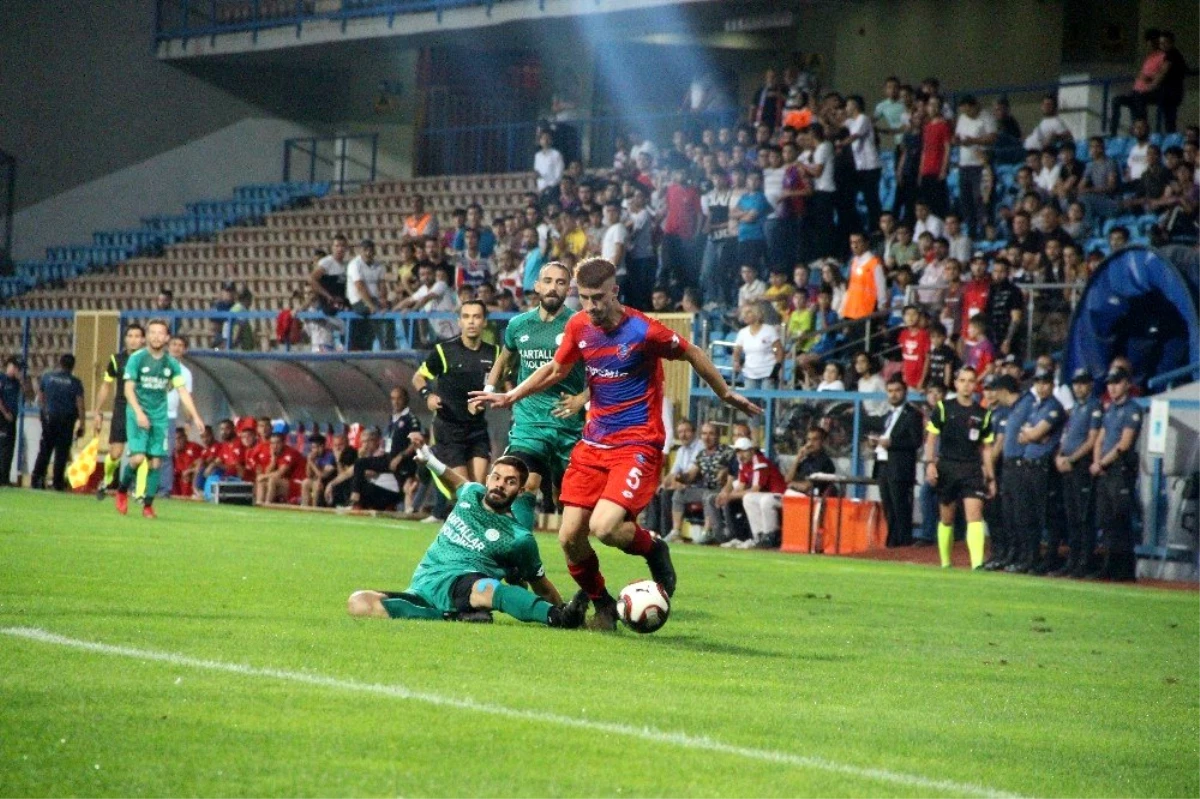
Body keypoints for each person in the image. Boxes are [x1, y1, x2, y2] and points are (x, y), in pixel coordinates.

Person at [470, 257, 761, 628]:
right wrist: (512, 396)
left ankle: (655, 548)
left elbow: (691, 351)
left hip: (637, 443)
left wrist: (724, 393)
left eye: (598, 298)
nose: (590, 306)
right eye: (585, 298)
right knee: (569, 537)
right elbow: (557, 369)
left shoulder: (643, 330)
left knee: (605, 527)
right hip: (594, 443)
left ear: (615, 292)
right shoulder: (579, 325)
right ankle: (602, 603)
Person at [347, 440, 589, 628]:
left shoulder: (519, 537)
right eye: (496, 477)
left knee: (488, 589)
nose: (500, 485)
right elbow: (454, 480)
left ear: (521, 490)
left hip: (465, 585)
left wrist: (562, 611)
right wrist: (430, 460)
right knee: (358, 602)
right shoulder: (472, 493)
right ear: (487, 479)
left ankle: (554, 618)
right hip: (423, 588)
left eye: (510, 481)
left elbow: (541, 585)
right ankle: (447, 616)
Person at [483, 262, 587, 498]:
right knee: (524, 484)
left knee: (566, 498)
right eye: (548, 281)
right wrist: (489, 388)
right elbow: (505, 359)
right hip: (528, 421)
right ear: (537, 286)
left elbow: (602, 370)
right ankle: (521, 536)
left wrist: (583, 398)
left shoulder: (580, 325)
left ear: (568, 289)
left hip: (566, 423)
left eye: (560, 283)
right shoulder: (518, 325)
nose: (553, 288)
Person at [114, 320, 205, 518]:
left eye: (160, 333)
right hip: (137, 413)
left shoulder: (171, 364)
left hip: (159, 417)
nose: (156, 336)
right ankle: (122, 491)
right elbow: (128, 389)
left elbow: (182, 390)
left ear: (166, 338)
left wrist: (196, 416)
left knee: (156, 462)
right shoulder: (137, 358)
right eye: (152, 332)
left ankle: (148, 505)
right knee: (137, 459)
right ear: (147, 336)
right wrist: (138, 412)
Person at [414, 300, 498, 510]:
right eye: (467, 317)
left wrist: (489, 399)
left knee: (477, 490)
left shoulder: (494, 353)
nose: (471, 322)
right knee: (464, 491)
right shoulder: (444, 351)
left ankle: (475, 537)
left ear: (484, 322)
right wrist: (428, 396)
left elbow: (501, 385)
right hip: (449, 430)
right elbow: (418, 377)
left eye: (476, 317)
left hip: (477, 429)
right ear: (459, 322)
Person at [924, 366, 996, 569]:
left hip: (972, 468)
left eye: (971, 381)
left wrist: (990, 477)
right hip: (947, 466)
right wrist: (930, 464)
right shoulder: (944, 407)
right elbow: (931, 438)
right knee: (947, 518)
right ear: (956, 383)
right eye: (962, 380)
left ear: (976, 385)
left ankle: (976, 564)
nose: (966, 385)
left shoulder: (983, 414)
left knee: (975, 516)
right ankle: (946, 562)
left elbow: (986, 448)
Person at [1090, 367, 1142, 581]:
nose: (1111, 387)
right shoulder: (1110, 409)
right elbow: (1100, 439)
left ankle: (1124, 569)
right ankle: (1109, 565)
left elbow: (1125, 443)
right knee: (1107, 520)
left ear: (1127, 384)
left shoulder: (1132, 409)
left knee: (1120, 520)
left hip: (1120, 469)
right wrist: (1096, 462)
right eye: (1110, 383)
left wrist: (1101, 462)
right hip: (1105, 470)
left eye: (1117, 382)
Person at [1015, 369, 1067, 574]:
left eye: (1045, 382)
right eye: (1038, 382)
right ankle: (1032, 557)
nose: (1041, 386)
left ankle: (1049, 557)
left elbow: (1035, 433)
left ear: (1052, 385)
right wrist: (1033, 435)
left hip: (1044, 466)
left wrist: (1033, 434)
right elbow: (1023, 434)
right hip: (1030, 464)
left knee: (1046, 515)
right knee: (1029, 515)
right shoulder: (1037, 406)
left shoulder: (1054, 406)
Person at [1054, 368, 1103, 578]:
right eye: (1076, 383)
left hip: (1081, 466)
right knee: (1072, 515)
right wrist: (1059, 457)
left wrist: (1070, 459)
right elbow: (1065, 437)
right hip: (1067, 465)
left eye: (1083, 383)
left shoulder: (1094, 407)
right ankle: (1073, 560)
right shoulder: (1074, 408)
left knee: (1084, 516)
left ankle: (1085, 561)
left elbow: (1091, 440)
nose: (1078, 387)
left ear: (1091, 385)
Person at [92, 323, 146, 498]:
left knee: (141, 452)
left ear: (143, 339)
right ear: (125, 339)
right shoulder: (117, 360)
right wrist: (97, 411)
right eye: (130, 336)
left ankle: (139, 492)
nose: (133, 340)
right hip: (122, 408)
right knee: (116, 453)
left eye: (137, 336)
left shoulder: (148, 359)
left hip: (142, 408)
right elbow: (106, 386)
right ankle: (107, 480)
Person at [870, 375, 924, 547]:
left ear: (905, 392)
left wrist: (892, 443)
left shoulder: (913, 414)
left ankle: (903, 543)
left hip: (900, 467)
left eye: (897, 391)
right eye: (890, 391)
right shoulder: (888, 415)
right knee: (888, 506)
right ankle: (892, 543)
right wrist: (876, 442)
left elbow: (916, 442)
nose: (893, 395)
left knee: (900, 507)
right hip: (884, 464)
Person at [32, 354, 85, 491]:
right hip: (66, 420)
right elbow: (80, 404)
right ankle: (57, 482)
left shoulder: (47, 377)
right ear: (73, 366)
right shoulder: (75, 382)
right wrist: (82, 424)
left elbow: (40, 397)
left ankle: (37, 478)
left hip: (49, 418)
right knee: (61, 452)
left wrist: (43, 413)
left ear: (59, 363)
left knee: (45, 449)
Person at [725, 436, 790, 549]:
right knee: (748, 498)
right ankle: (758, 536)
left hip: (781, 496)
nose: (740, 455)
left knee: (765, 500)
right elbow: (740, 486)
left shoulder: (759, 462)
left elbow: (756, 489)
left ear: (751, 451)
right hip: (768, 496)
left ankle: (771, 535)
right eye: (738, 452)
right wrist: (726, 496)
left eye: (744, 451)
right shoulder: (743, 464)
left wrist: (730, 495)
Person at [153, 335, 193, 500]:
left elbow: (186, 397)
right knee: (146, 451)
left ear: (185, 350)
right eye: (174, 344)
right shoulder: (156, 365)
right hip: (152, 414)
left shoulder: (185, 373)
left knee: (166, 454)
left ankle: (164, 490)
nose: (176, 347)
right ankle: (141, 486)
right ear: (168, 346)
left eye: (180, 345)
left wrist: (187, 420)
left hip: (170, 416)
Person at [347, 239, 391, 351]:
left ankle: (388, 346)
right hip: (358, 300)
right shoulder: (354, 265)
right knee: (368, 316)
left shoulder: (378, 265)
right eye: (365, 250)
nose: (368, 253)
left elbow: (382, 284)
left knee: (390, 310)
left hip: (374, 299)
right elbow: (360, 287)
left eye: (370, 250)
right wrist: (371, 305)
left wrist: (383, 299)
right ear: (360, 251)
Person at [732, 302, 783, 390]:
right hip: (749, 373)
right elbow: (737, 351)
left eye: (748, 312)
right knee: (750, 402)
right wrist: (736, 362)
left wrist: (776, 370)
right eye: (744, 313)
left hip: (768, 373)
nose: (745, 316)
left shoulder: (769, 330)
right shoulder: (742, 333)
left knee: (767, 402)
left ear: (757, 314)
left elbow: (779, 351)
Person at [0, 356, 30, 486]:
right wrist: (5, 413)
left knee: (9, 449)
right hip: (3, 417)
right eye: (16, 367)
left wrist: (22, 381)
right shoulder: (2, 379)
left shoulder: (17, 382)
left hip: (11, 417)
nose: (18, 371)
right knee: (3, 448)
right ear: (9, 365)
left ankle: (4, 478)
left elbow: (29, 395)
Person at [255, 430, 306, 505]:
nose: (274, 446)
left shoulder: (290, 453)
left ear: (283, 443)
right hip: (286, 483)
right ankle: (259, 505)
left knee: (272, 480)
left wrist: (263, 476)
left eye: (277, 443)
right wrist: (273, 460)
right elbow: (267, 473)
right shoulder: (275, 454)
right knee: (262, 483)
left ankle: (268, 505)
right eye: (272, 443)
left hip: (299, 484)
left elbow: (280, 473)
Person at [300, 434, 335, 508]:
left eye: (315, 447)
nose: (314, 450)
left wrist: (311, 463)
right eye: (312, 447)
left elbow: (323, 476)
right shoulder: (314, 456)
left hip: (329, 483)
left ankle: (314, 509)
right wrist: (309, 462)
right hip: (318, 482)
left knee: (316, 484)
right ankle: (304, 507)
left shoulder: (330, 456)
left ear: (322, 446)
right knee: (305, 482)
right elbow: (309, 475)